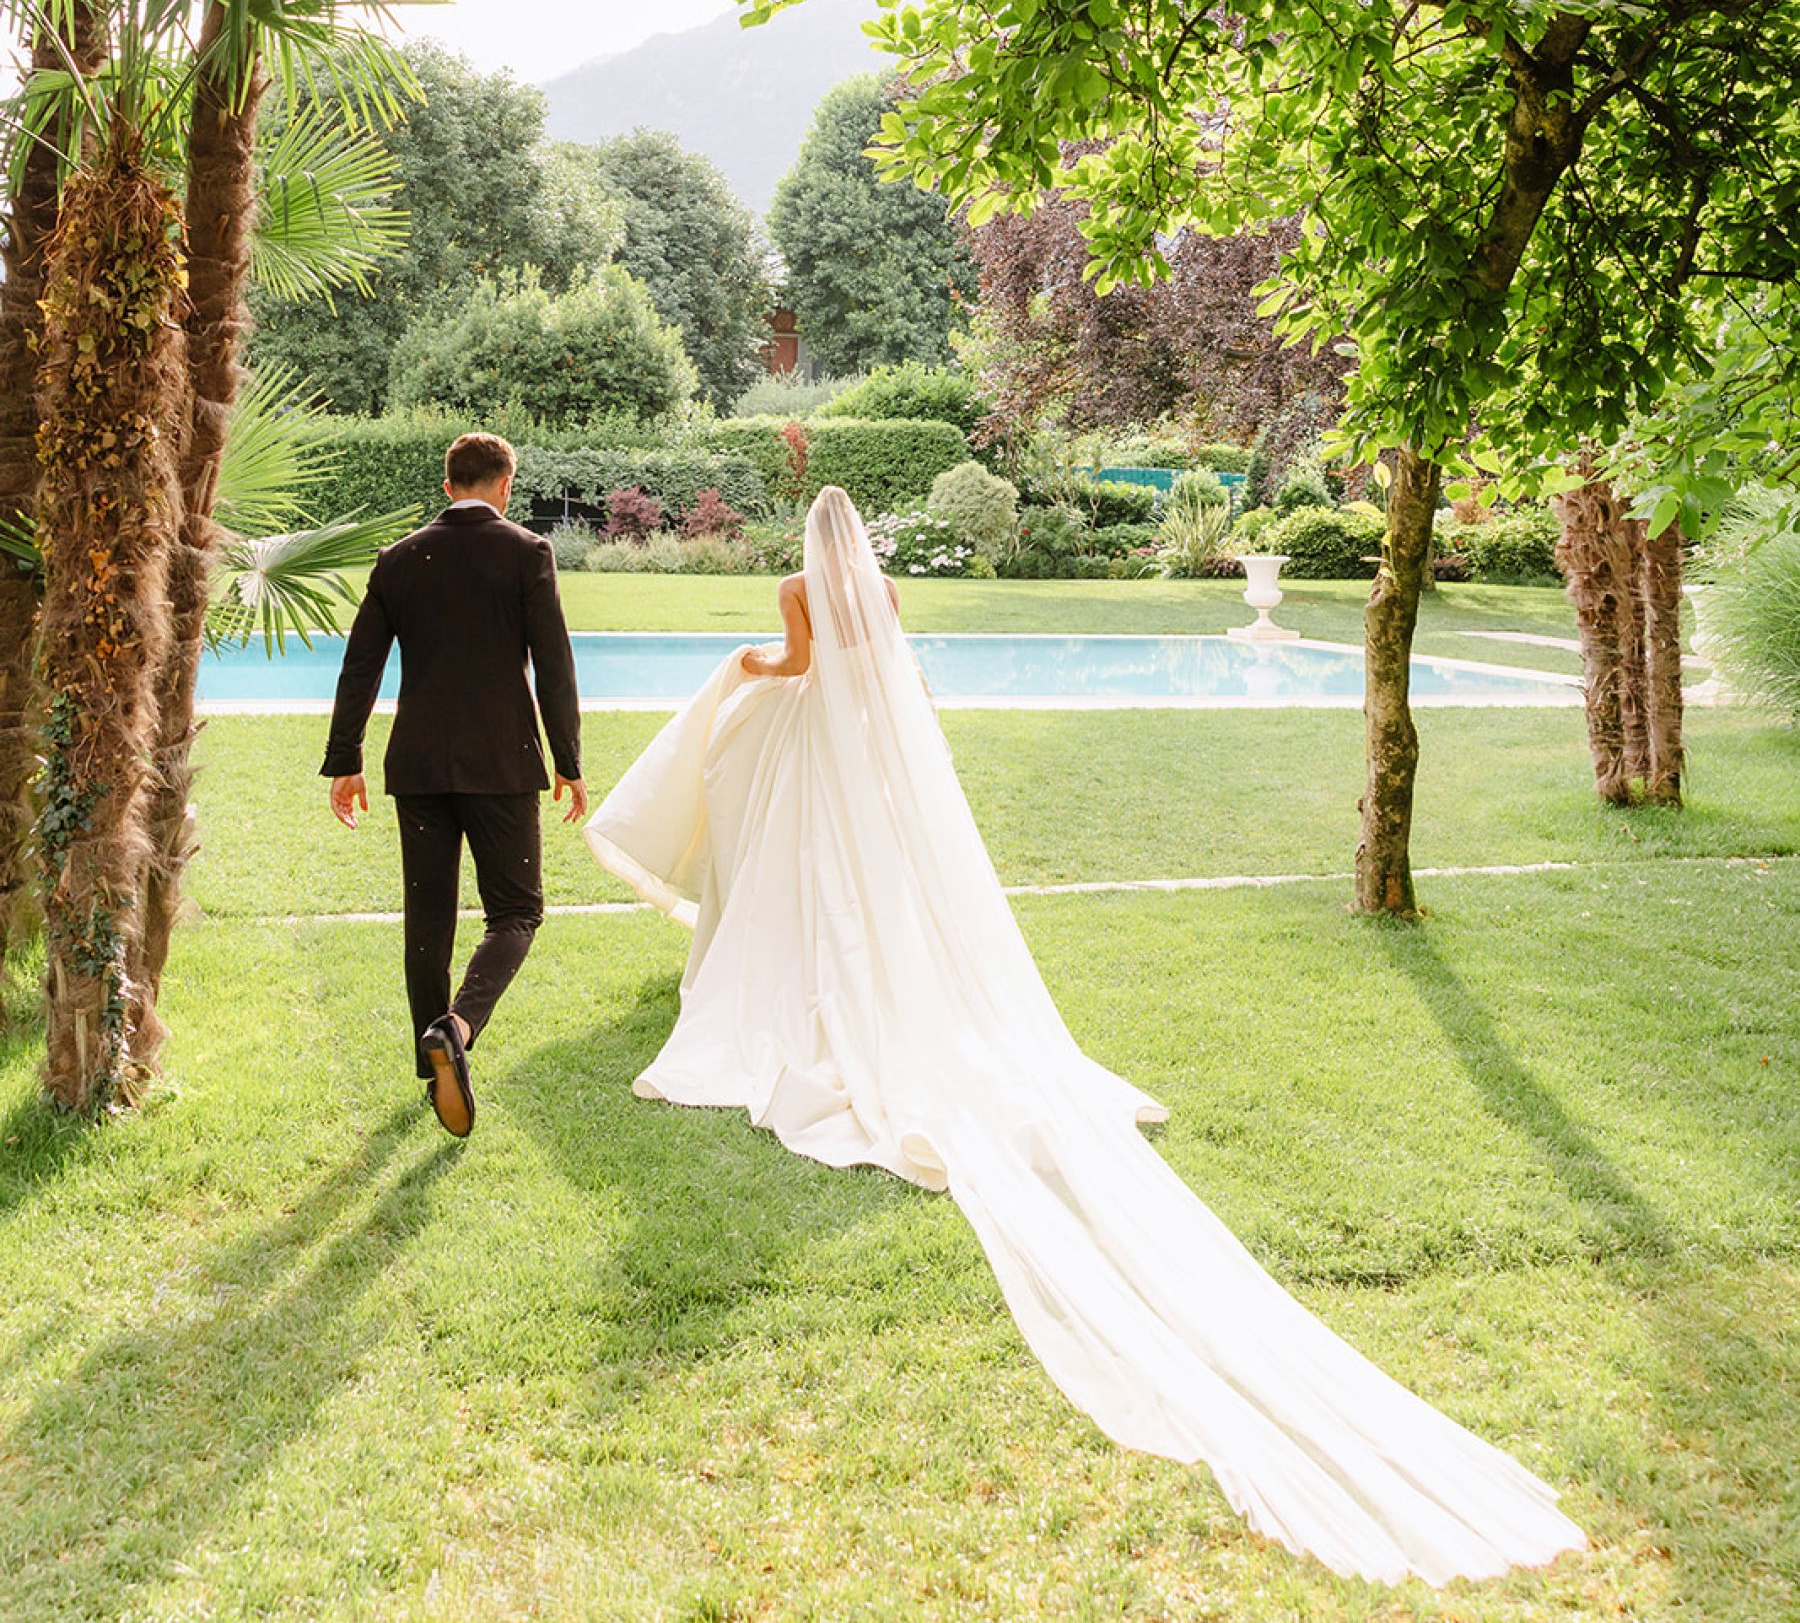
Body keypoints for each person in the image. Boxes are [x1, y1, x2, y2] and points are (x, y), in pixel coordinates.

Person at [585, 485, 1586, 1588]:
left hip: (818, 751)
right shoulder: (888, 587)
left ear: (810, 544)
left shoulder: (792, 587)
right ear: (862, 538)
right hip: (866, 753)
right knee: (884, 895)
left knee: (805, 877)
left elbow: (795, 667)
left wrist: (741, 665)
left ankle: (807, 985)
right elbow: (881, 677)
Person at [322, 430, 586, 1138]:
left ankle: (430, 1064)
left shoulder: (399, 559)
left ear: (447, 486)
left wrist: (345, 757)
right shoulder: (528, 551)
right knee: (517, 912)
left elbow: (360, 668)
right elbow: (554, 665)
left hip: (419, 765)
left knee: (428, 918)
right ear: (505, 485)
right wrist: (569, 760)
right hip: (502, 763)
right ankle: (456, 1030)